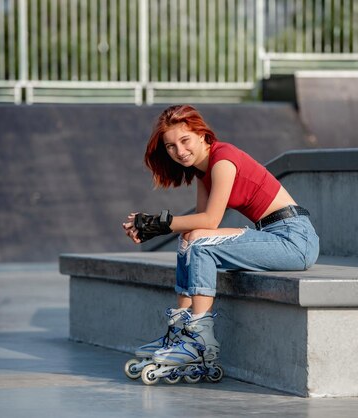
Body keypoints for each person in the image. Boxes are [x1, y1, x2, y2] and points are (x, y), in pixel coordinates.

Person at [122, 104, 319, 384]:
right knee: (189, 239)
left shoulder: (222, 161)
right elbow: (197, 226)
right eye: (170, 146)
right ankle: (183, 328)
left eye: (185, 140)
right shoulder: (203, 173)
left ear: (202, 135)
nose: (179, 151)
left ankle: (201, 342)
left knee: (202, 244)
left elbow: (211, 221)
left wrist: (158, 223)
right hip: (273, 235)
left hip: (294, 239)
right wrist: (154, 228)